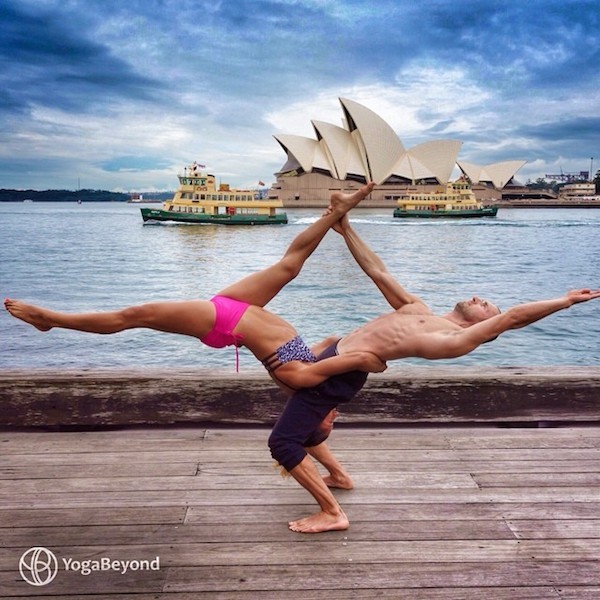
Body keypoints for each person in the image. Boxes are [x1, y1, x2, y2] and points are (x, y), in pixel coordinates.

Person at [272, 214, 600, 534]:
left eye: (486, 305)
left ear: (485, 325)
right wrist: (346, 230)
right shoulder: (418, 310)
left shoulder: (452, 340)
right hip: (335, 357)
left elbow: (512, 317)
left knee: (283, 442)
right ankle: (339, 477)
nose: (477, 297)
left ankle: (332, 513)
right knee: (297, 414)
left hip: (339, 375)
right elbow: (377, 271)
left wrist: (565, 301)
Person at [3, 183, 385, 395]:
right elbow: (338, 342)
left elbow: (364, 360)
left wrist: (372, 355)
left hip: (224, 322)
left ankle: (51, 320)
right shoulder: (309, 363)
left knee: (134, 316)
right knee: (289, 267)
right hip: (236, 308)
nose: (330, 416)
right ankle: (336, 212)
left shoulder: (300, 380)